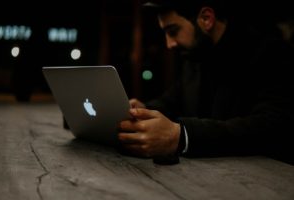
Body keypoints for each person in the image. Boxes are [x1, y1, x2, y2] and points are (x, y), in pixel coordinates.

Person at [118, 0, 294, 164]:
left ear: (206, 19)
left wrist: (182, 136)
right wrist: (142, 110)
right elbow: (172, 101)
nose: (169, 44)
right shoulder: (195, 57)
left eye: (173, 31)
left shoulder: (270, 53)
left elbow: (271, 126)